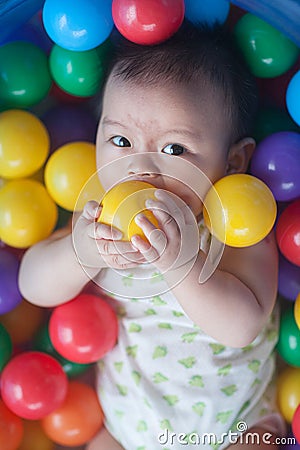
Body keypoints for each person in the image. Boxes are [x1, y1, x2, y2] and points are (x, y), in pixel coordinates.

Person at [19, 21, 286, 449]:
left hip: (238, 427)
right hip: (125, 432)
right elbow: (32, 285)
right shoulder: (99, 221)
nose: (139, 167)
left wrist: (182, 265)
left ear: (234, 162)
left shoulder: (235, 226)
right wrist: (80, 252)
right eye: (121, 139)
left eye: (174, 150)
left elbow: (242, 326)